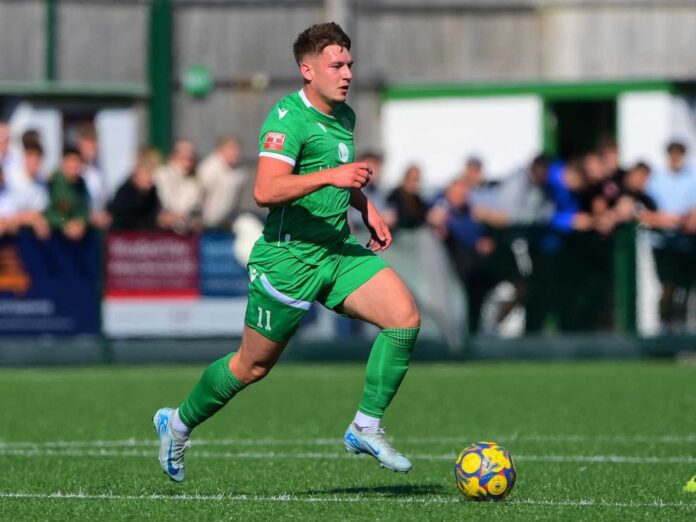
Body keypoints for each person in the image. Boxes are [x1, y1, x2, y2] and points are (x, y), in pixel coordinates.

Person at [153, 22, 420, 482]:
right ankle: (176, 423)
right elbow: (265, 189)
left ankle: (366, 425)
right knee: (251, 367)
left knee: (404, 319)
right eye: (336, 65)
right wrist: (332, 178)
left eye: (349, 64)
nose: (347, 73)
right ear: (308, 69)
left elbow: (340, 176)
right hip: (289, 259)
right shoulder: (286, 118)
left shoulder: (345, 116)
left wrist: (366, 207)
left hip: (336, 251)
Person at [109, 149, 174, 231]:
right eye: (147, 172)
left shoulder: (153, 192)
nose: (151, 177)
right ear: (137, 171)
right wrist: (156, 221)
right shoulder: (125, 192)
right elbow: (122, 220)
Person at [154, 140, 203, 233]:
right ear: (173, 157)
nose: (188, 162)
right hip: (159, 233)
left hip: (186, 233)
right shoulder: (161, 175)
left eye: (191, 158)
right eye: (183, 157)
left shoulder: (195, 180)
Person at [197, 136, 247, 228]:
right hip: (203, 224)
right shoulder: (208, 168)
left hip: (225, 223)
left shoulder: (240, 171)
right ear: (219, 150)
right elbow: (199, 196)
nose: (235, 152)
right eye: (230, 148)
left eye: (236, 149)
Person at [43, 146, 89, 241]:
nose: (74, 165)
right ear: (63, 162)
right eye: (70, 161)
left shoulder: (81, 183)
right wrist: (64, 224)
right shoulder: (53, 181)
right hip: (53, 237)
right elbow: (46, 211)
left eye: (77, 161)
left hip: (75, 236)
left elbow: (83, 209)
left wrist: (80, 222)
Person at [7, 142, 50, 239]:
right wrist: (33, 219)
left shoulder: (42, 182)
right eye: (31, 158)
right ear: (24, 158)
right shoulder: (11, 178)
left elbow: (40, 210)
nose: (34, 163)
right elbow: (7, 214)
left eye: (37, 159)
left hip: (29, 232)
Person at [77, 123, 111, 229]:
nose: (91, 148)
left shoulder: (98, 170)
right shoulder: (74, 169)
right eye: (87, 144)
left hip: (96, 226)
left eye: (94, 143)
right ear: (79, 145)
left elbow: (104, 198)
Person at [386, 164, 428, 230]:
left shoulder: (417, 199)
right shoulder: (395, 196)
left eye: (416, 180)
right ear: (405, 178)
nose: (414, 184)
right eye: (412, 179)